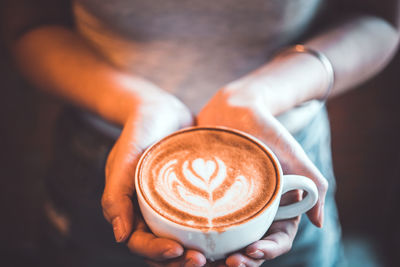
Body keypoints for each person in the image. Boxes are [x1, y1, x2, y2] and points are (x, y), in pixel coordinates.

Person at [2, 0, 399, 266]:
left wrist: (260, 94)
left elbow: (380, 17)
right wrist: (141, 103)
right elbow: (30, 25)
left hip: (283, 154)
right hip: (105, 158)